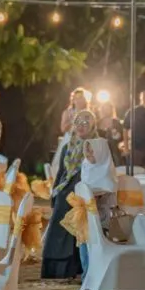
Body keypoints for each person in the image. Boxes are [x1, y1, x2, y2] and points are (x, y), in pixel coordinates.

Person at [42, 111, 95, 279]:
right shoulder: (67, 147)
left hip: (84, 191)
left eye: (86, 123)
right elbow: (61, 173)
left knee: (73, 212)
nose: (81, 126)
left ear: (93, 126)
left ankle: (75, 267)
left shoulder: (96, 146)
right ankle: (56, 270)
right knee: (60, 211)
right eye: (78, 122)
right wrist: (54, 193)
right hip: (66, 188)